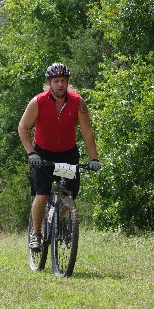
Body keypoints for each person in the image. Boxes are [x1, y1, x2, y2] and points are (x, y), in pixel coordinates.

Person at [18, 62, 101, 251]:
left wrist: (94, 158)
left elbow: (87, 132)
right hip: (42, 154)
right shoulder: (38, 102)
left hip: (68, 154)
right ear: (49, 83)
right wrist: (31, 152)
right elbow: (23, 127)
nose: (60, 84)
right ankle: (36, 234)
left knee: (70, 194)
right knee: (42, 194)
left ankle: (60, 221)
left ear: (67, 82)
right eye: (56, 81)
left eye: (63, 80)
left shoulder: (78, 102)